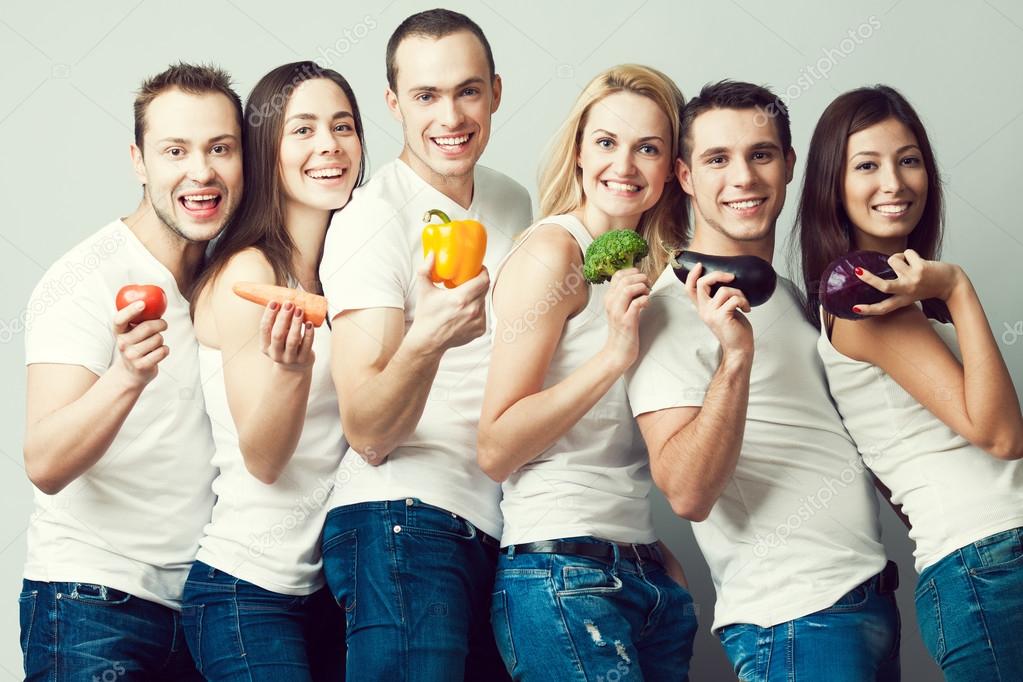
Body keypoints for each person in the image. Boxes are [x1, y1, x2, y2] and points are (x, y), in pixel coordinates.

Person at [626, 80, 900, 680]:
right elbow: (687, 493)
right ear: (685, 176)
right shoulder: (671, 311)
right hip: (796, 621)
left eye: (761, 154)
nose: (743, 178)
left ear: (790, 165)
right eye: (717, 159)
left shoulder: (792, 294)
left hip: (865, 602)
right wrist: (736, 358)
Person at [317, 8, 532, 680]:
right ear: (393, 104)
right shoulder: (369, 221)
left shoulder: (511, 201)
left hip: (495, 525)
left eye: (467, 91)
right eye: (425, 97)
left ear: (495, 91)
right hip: (400, 522)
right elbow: (369, 432)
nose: (450, 117)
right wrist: (428, 338)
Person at [19, 63, 243, 680]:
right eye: (176, 150)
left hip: (202, 612)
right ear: (139, 162)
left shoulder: (231, 280)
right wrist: (125, 377)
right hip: (93, 605)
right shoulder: (85, 278)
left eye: (220, 148)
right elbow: (45, 462)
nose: (201, 172)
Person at [476, 63, 697, 680]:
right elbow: (496, 447)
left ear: (672, 167)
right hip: (561, 576)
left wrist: (653, 553)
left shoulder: (657, 275)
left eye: (647, 148)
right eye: (606, 143)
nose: (623, 166)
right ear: (578, 152)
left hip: (643, 575)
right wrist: (611, 358)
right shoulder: (553, 254)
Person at [797, 84, 1023, 681]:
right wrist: (958, 288)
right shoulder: (866, 301)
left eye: (909, 159)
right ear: (832, 186)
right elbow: (999, 435)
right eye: (866, 165)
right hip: (991, 563)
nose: (894, 183)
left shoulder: (893, 294)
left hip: (986, 561)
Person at [181, 61, 364, 681]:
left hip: (324, 592)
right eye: (303, 130)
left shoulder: (343, 274)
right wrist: (291, 371)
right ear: (268, 150)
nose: (329, 147)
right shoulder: (248, 277)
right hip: (243, 592)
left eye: (343, 126)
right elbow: (262, 459)